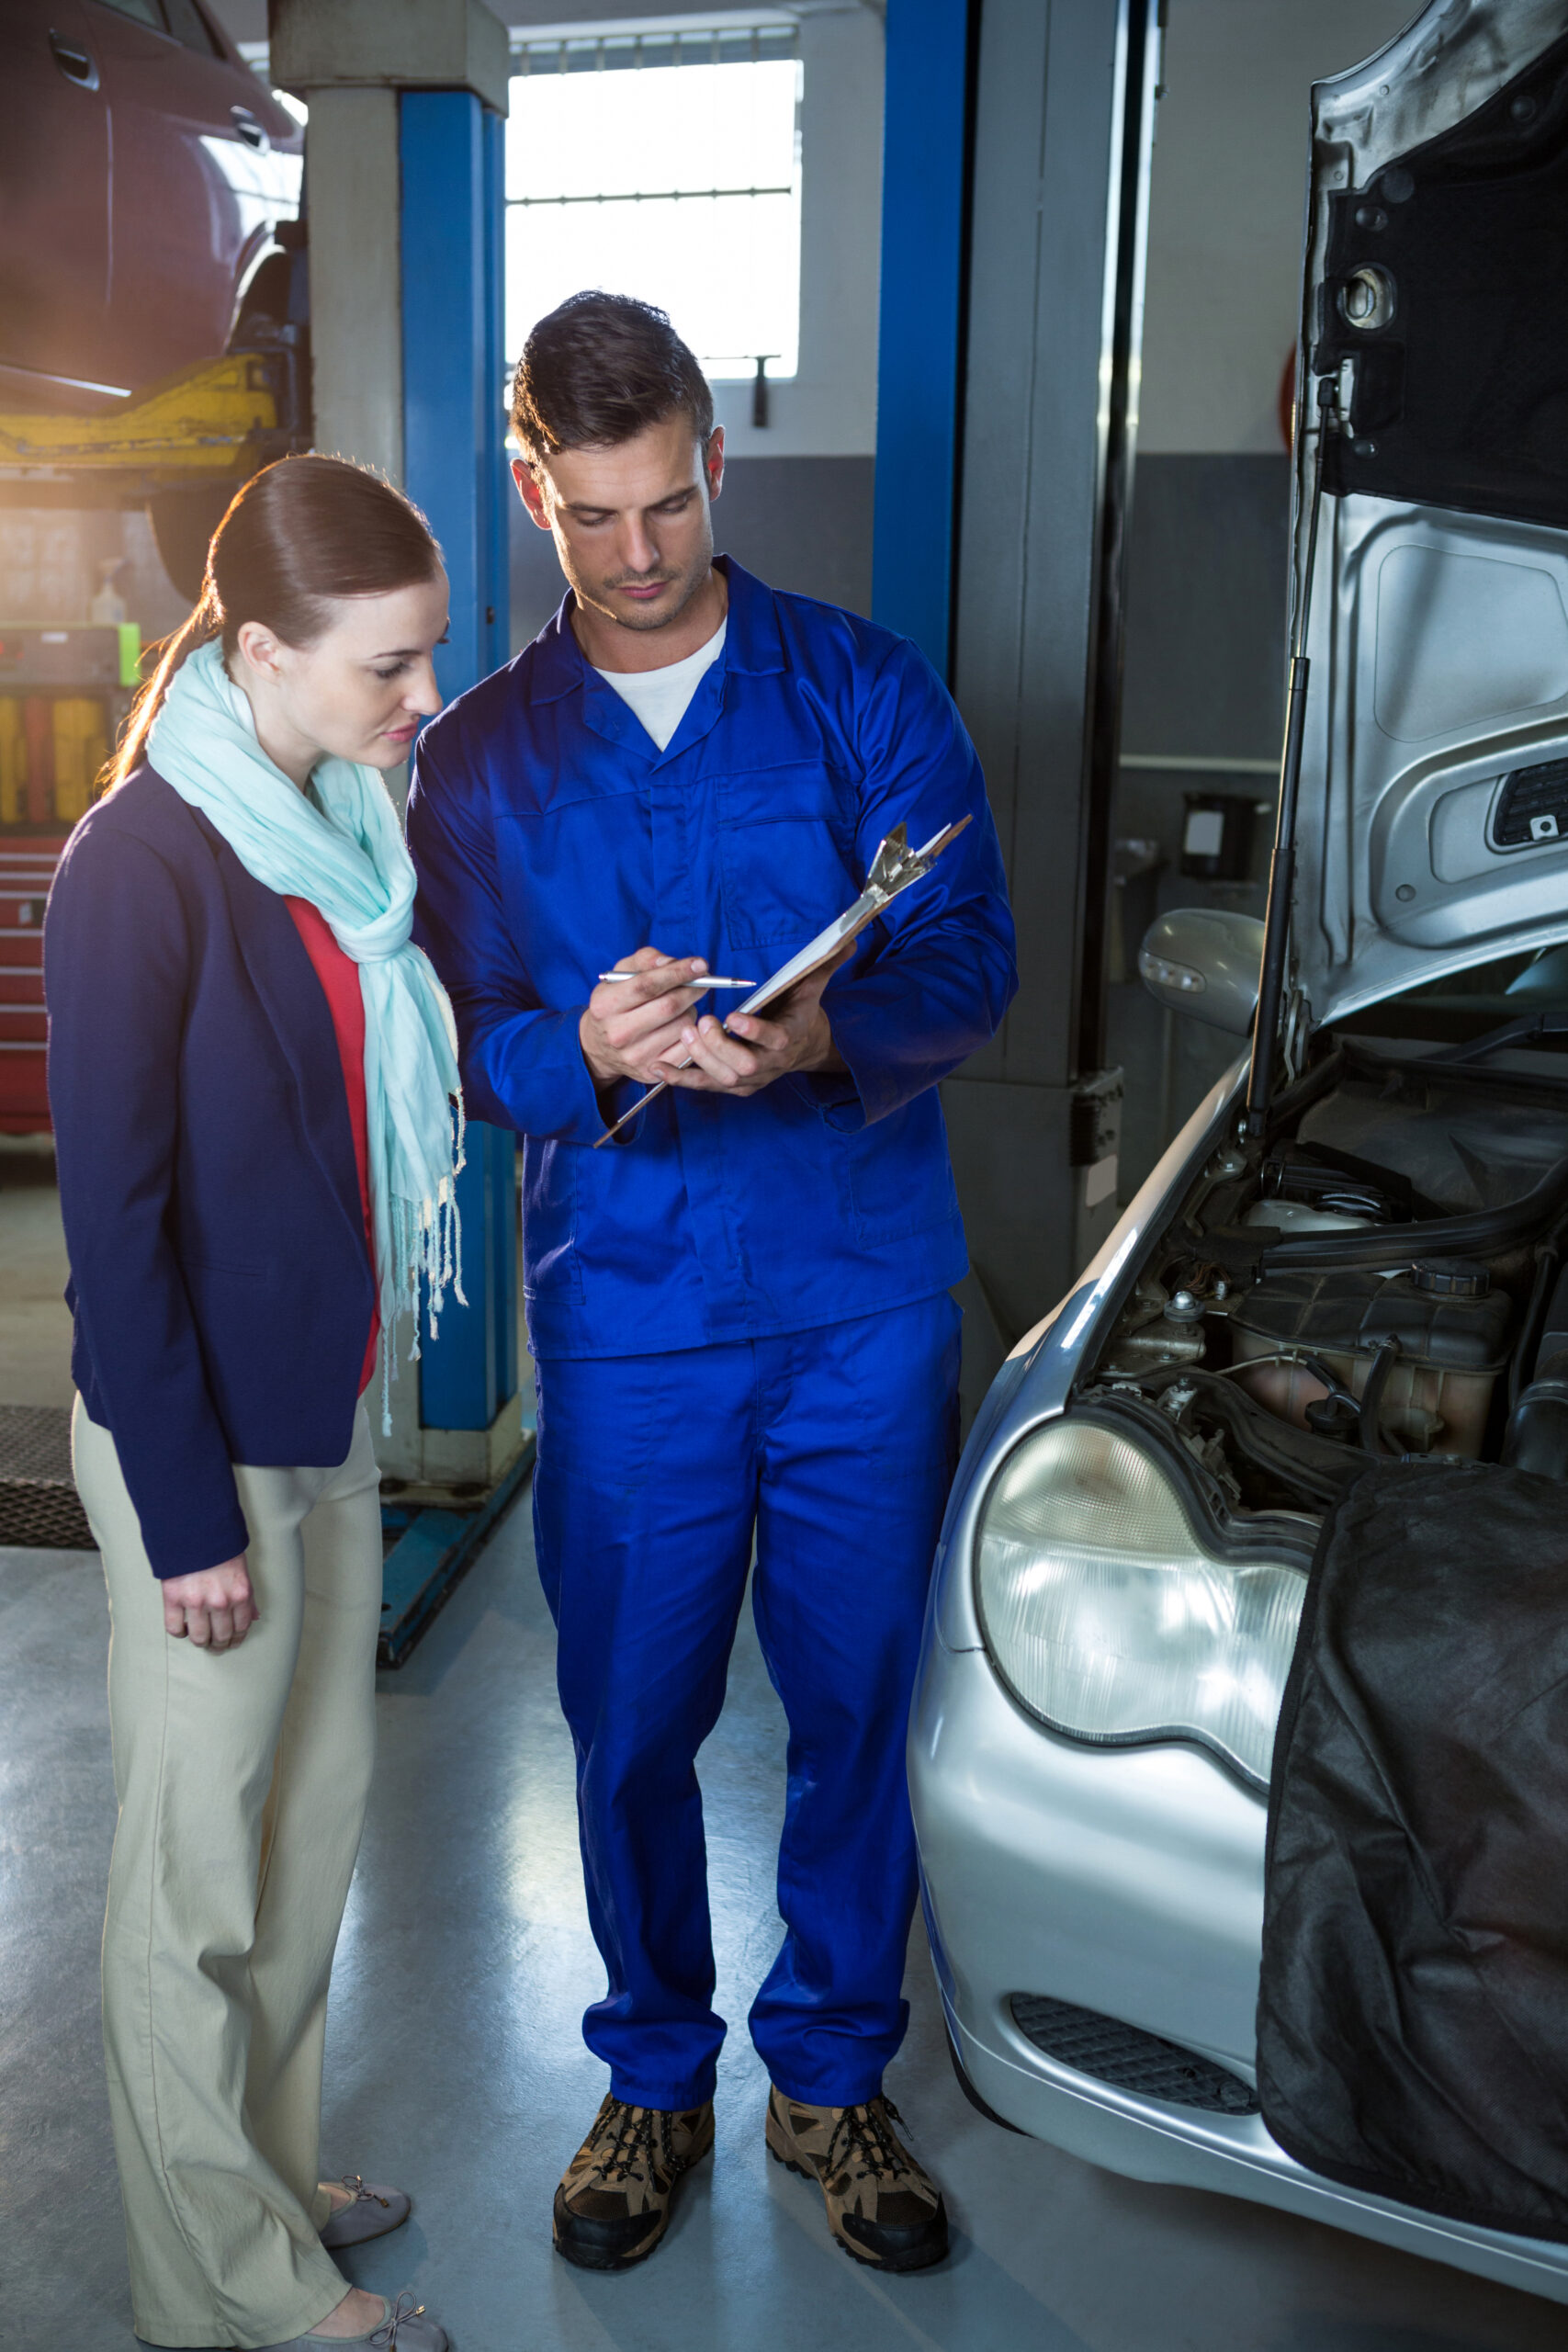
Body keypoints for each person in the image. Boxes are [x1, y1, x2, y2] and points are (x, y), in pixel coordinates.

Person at [407, 293, 1018, 2276]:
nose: (638, 552)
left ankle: (832, 2075)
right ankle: (654, 2073)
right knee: (630, 1718)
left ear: (713, 462)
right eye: (591, 516)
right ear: (535, 493)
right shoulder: (480, 760)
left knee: (858, 1705)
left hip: (858, 1302)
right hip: (632, 1315)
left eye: (666, 502)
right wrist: (577, 1049)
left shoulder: (861, 688)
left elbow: (973, 955)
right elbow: (454, 1034)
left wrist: (826, 1033)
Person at [46, 456, 462, 2352]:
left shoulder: (342, 828)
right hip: (196, 1444)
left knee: (301, 1854)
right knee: (194, 1882)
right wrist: (187, 1517)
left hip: (324, 1407)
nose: (421, 698)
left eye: (426, 657)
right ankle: (223, 2283)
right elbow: (113, 1227)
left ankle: (270, 2171)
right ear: (265, 650)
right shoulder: (140, 863)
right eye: (387, 666)